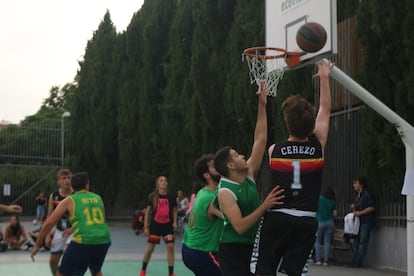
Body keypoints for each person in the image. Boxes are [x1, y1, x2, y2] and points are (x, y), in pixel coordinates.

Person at [252, 61, 333, 276]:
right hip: (306, 219)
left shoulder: (274, 151)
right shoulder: (318, 146)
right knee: (292, 273)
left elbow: (260, 139)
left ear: (287, 123)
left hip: (278, 217)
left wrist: (262, 104)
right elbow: (325, 109)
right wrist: (325, 76)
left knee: (263, 271)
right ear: (311, 126)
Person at [213, 81, 285, 276]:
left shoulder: (248, 173)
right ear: (230, 165)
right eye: (237, 155)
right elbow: (240, 226)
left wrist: (262, 106)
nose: (243, 156)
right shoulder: (225, 193)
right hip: (232, 250)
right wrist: (265, 205)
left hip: (249, 246)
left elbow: (260, 140)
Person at [31, 172, 111, 276]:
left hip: (84, 241)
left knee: (61, 274)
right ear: (87, 185)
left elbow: (48, 223)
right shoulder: (98, 198)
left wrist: (37, 244)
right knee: (96, 271)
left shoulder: (69, 200)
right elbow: (101, 219)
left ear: (72, 186)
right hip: (104, 240)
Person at [182, 154, 224, 276]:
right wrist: (263, 208)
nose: (218, 167)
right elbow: (234, 220)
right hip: (202, 252)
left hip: (190, 248)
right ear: (206, 175)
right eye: (213, 166)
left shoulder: (203, 191)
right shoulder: (210, 198)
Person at [140, 176, 177, 276]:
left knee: (170, 247)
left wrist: (175, 222)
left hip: (167, 226)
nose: (164, 182)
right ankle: (143, 269)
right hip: (155, 226)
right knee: (150, 249)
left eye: (166, 180)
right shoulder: (153, 197)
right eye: (162, 180)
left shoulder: (171, 197)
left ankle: (171, 273)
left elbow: (174, 211)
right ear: (158, 184)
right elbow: (147, 212)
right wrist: (146, 226)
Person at [47, 168, 74, 276]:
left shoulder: (76, 195)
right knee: (52, 262)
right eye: (64, 178)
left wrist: (72, 229)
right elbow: (50, 216)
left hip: (73, 231)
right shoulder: (53, 196)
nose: (67, 180)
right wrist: (48, 235)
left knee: (68, 257)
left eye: (69, 178)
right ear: (58, 181)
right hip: (59, 231)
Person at [351, 176, 375, 268]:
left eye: (356, 183)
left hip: (366, 221)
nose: (354, 185)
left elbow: (371, 207)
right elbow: (356, 211)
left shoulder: (367, 195)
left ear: (361, 184)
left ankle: (358, 262)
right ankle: (355, 260)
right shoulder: (357, 196)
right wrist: (354, 208)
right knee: (356, 241)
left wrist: (360, 213)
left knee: (362, 242)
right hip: (359, 222)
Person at [314, 186, 337, 266]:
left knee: (318, 241)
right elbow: (335, 213)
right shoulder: (333, 201)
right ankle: (326, 261)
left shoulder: (320, 199)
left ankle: (318, 259)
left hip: (320, 222)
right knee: (327, 241)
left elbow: (315, 209)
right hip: (330, 223)